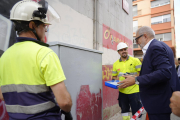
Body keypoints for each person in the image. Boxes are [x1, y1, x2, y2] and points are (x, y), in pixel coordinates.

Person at [0, 0, 72, 120]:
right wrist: (68, 112)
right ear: (32, 25)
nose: (45, 30)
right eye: (44, 26)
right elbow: (64, 102)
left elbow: (2, 95)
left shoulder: (4, 57)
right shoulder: (45, 54)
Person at [118, 26, 180, 120]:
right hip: (160, 101)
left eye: (137, 39)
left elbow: (164, 73)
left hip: (158, 102)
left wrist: (136, 80)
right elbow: (157, 71)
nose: (137, 43)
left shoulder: (155, 47)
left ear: (145, 36)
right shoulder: (161, 45)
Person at [112, 42, 142, 120]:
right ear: (118, 52)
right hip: (122, 92)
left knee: (137, 112)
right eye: (121, 50)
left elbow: (141, 75)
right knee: (124, 111)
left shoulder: (135, 60)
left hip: (134, 91)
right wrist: (115, 82)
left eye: (125, 49)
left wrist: (132, 77)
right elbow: (114, 77)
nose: (123, 51)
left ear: (127, 50)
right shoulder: (115, 64)